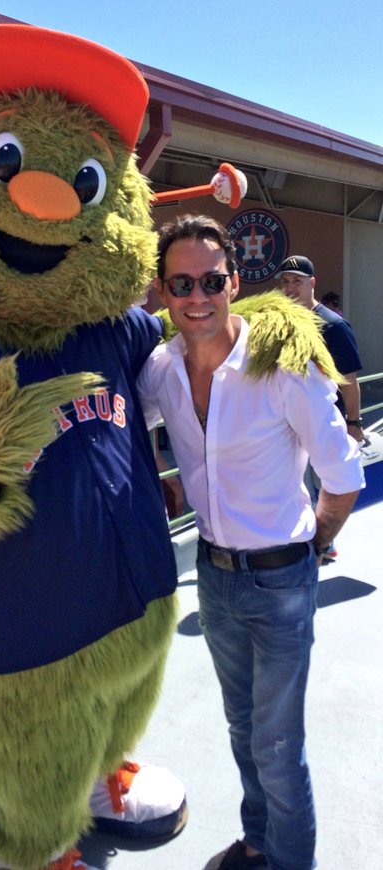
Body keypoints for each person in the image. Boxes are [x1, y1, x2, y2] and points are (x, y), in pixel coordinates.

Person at [138, 214, 364, 870]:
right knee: (243, 730)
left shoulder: (282, 368)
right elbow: (128, 427)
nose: (197, 295)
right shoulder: (161, 369)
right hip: (213, 575)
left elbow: (343, 474)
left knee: (278, 747)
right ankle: (260, 842)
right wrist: (161, 481)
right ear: (163, 290)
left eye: (211, 279)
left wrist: (312, 544)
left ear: (233, 282)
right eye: (182, 282)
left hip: (283, 581)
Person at [276, 256, 364, 443]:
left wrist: (354, 423)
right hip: (286, 430)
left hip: (324, 430)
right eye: (285, 281)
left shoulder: (334, 326)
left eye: (297, 281)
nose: (290, 288)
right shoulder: (280, 323)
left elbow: (349, 381)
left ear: (312, 282)